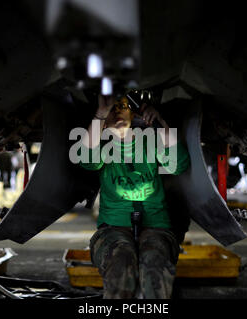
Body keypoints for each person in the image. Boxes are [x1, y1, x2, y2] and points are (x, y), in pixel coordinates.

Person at [79, 94, 190, 299]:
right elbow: (86, 159)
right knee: (120, 262)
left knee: (154, 264)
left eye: (122, 106)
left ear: (132, 112)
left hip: (157, 227)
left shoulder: (149, 142)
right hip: (113, 229)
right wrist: (100, 115)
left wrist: (159, 123)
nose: (118, 111)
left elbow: (178, 165)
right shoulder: (103, 147)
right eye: (112, 109)